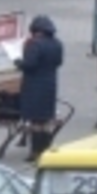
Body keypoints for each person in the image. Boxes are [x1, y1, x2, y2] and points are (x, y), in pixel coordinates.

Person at [15, 15, 64, 163]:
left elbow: (29, 65)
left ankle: (35, 151)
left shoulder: (35, 45)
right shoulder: (57, 44)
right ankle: (46, 148)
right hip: (50, 84)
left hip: (34, 86)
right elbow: (59, 62)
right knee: (45, 121)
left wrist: (18, 62)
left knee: (36, 122)